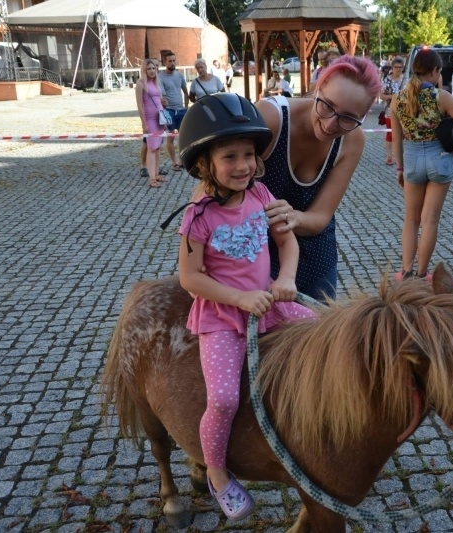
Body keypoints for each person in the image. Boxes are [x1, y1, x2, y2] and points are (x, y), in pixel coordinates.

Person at [176, 92, 315, 521]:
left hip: (268, 303)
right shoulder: (198, 216)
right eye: (230, 157)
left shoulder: (261, 195)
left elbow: (286, 242)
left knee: (325, 336)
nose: (243, 166)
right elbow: (190, 277)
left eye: (249, 155)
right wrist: (239, 297)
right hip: (222, 316)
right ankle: (217, 472)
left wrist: (286, 278)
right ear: (205, 163)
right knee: (221, 399)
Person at [256, 55, 382, 300]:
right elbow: (219, 183)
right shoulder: (271, 118)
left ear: (364, 116)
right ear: (318, 88)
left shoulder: (352, 140)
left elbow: (320, 217)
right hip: (255, 254)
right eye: (327, 105)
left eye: (348, 118)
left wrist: (292, 216)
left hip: (315, 259)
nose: (330, 123)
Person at [390, 48, 453, 281]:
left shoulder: (398, 99)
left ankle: (405, 271)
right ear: (435, 71)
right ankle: (422, 274)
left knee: (411, 219)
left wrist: (399, 168)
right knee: (430, 220)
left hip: (411, 160)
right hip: (439, 159)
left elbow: (397, 139)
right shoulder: (442, 97)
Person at [134, 58, 166, 188]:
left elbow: (158, 99)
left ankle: (156, 173)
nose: (152, 71)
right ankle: (152, 178)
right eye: (149, 69)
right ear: (144, 70)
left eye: (154, 68)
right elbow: (140, 105)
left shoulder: (155, 82)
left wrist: (163, 103)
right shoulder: (141, 83)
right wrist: (144, 123)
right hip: (150, 119)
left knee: (158, 147)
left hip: (160, 118)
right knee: (151, 148)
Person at [158, 51, 189, 171]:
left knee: (183, 136)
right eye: (170, 61)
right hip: (169, 110)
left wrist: (186, 107)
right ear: (165, 62)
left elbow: (186, 93)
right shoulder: (160, 77)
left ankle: (182, 159)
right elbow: (161, 95)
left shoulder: (179, 75)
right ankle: (174, 161)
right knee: (170, 137)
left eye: (174, 60)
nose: (172, 63)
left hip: (181, 110)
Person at [380, 56, 407, 165]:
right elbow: (381, 96)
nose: (398, 69)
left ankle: (399, 155)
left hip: (404, 112)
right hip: (389, 111)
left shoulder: (406, 79)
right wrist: (393, 97)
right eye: (396, 67)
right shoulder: (386, 80)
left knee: (402, 135)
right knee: (390, 134)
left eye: (400, 67)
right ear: (392, 67)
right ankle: (389, 156)